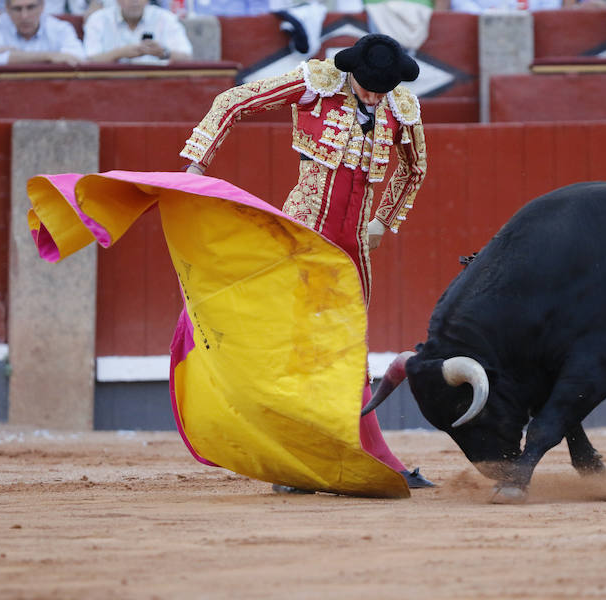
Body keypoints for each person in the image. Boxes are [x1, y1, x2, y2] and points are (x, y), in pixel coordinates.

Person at [179, 34, 433, 491]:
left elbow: (415, 169)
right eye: (369, 88)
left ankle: (365, 455)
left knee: (348, 347)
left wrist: (384, 221)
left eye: (383, 90)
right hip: (301, 236)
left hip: (353, 245)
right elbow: (235, 100)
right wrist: (197, 163)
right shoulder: (317, 82)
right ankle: (301, 460)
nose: (376, 97)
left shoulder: (401, 105)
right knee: (299, 345)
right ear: (352, 72)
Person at [83, 0, 192, 63]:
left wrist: (164, 53)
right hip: (109, 87)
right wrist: (119, 53)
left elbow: (187, 57)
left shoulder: (165, 18)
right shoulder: (98, 19)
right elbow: (88, 60)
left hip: (157, 85)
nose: (135, 1)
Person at [0, 0, 86, 64]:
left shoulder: (61, 28)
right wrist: (50, 56)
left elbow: (78, 57)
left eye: (31, 7)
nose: (24, 16)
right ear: (7, 8)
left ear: (42, 6)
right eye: (17, 9)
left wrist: (17, 55)